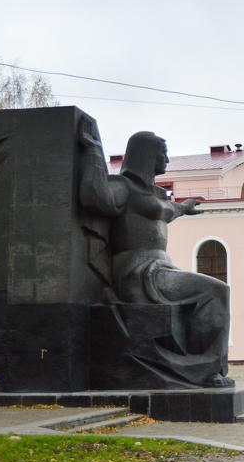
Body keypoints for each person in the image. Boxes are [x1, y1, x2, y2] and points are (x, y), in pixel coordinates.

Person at [78, 119, 232, 387]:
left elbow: (167, 211)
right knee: (215, 291)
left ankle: (206, 368)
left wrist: (184, 207)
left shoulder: (153, 194)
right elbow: (94, 195)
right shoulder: (123, 187)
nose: (168, 160)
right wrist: (92, 151)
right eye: (164, 153)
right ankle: (206, 371)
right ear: (147, 155)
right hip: (139, 274)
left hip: (161, 271)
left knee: (212, 294)